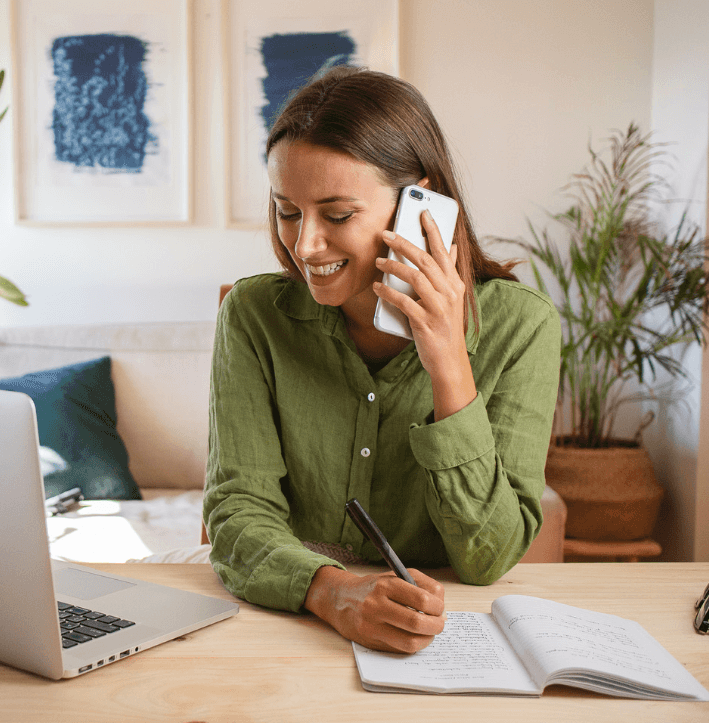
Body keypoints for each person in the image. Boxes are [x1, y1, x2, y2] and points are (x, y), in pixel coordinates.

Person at [203, 66, 561, 654]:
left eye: (337, 215)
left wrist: (448, 363)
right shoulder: (254, 316)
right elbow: (238, 511)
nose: (304, 244)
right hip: (289, 623)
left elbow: (488, 558)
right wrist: (333, 594)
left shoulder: (522, 328)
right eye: (287, 210)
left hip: (445, 636)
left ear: (417, 204)